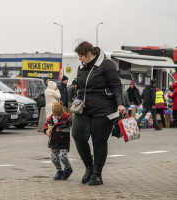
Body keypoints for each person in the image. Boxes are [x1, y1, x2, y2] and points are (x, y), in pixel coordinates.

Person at [71, 41, 125, 186]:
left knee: (99, 141)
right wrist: (76, 102)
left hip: (104, 109)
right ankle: (89, 166)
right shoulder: (81, 67)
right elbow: (80, 88)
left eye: (81, 56)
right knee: (77, 134)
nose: (79, 59)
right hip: (84, 108)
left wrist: (120, 104)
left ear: (89, 54)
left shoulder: (107, 65)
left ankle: (97, 174)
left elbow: (116, 86)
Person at [44, 101, 73, 180]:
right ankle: (59, 171)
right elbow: (46, 126)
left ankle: (68, 169)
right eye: (55, 115)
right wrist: (46, 131)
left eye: (59, 115)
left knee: (62, 156)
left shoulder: (67, 118)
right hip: (53, 142)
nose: (57, 117)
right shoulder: (50, 119)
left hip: (63, 142)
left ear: (62, 113)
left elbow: (73, 121)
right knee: (54, 158)